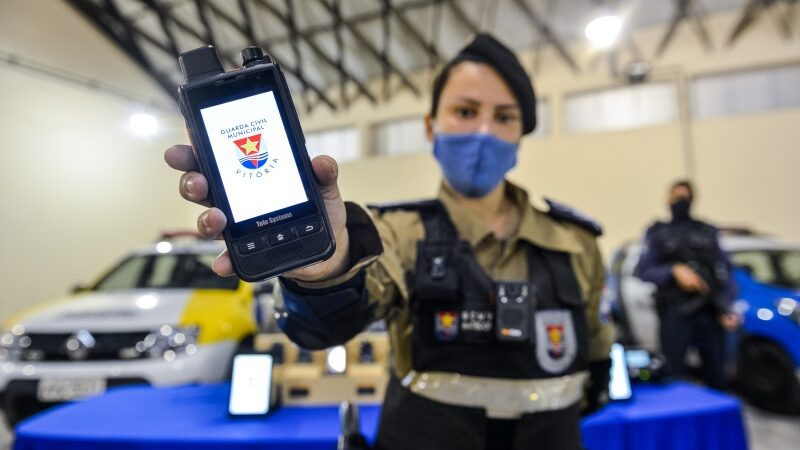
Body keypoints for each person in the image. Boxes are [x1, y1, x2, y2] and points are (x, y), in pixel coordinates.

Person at [166, 33, 614, 450]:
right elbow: (328, 322)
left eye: (504, 116)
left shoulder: (576, 240)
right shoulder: (398, 230)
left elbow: (595, 356)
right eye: (465, 111)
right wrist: (323, 267)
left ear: (521, 132)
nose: (483, 131)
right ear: (431, 125)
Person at [634, 180, 739, 390]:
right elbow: (642, 270)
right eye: (677, 197)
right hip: (676, 311)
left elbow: (725, 272)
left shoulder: (707, 231)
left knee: (717, 374)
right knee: (674, 373)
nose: (681, 202)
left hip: (710, 311)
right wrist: (673, 271)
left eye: (686, 197)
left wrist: (727, 305)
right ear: (668, 199)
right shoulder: (658, 233)